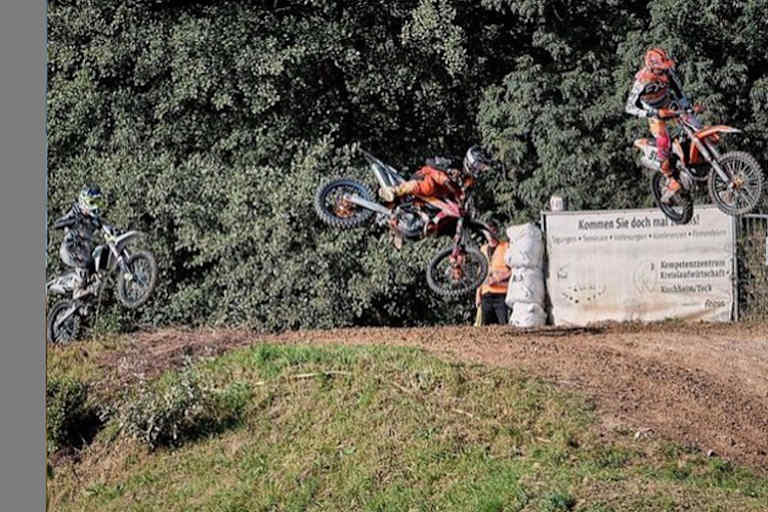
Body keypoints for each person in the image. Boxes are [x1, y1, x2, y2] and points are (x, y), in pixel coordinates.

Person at [377, 146, 495, 247]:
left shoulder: (470, 180)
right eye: (479, 165)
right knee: (429, 186)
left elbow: (465, 197)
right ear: (471, 161)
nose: (480, 170)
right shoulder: (453, 163)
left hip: (438, 197)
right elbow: (440, 176)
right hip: (424, 179)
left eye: (482, 168)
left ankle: (409, 228)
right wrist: (456, 192)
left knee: (449, 219)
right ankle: (393, 191)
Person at [625, 47, 693, 204]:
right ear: (652, 67)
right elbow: (629, 107)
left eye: (666, 66)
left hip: (668, 103)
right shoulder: (642, 81)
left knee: (692, 121)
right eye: (661, 68)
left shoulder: (668, 72)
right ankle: (670, 179)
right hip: (653, 110)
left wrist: (686, 107)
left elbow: (679, 91)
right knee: (663, 140)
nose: (665, 70)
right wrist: (650, 113)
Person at [53, 184, 111, 300]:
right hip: (69, 248)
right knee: (85, 259)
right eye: (93, 202)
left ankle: (89, 290)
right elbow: (57, 223)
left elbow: (105, 226)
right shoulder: (75, 212)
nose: (96, 206)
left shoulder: (94, 219)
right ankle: (78, 290)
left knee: (99, 254)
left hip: (83, 250)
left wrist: (115, 231)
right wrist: (70, 222)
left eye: (98, 202)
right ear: (84, 201)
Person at [474, 221, 511, 325]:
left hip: (502, 293)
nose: (489, 234)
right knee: (487, 328)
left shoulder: (506, 247)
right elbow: (480, 273)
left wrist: (499, 278)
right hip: (486, 294)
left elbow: (515, 270)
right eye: (487, 231)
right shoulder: (483, 249)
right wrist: (478, 294)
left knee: (504, 325)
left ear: (497, 231)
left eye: (492, 230)